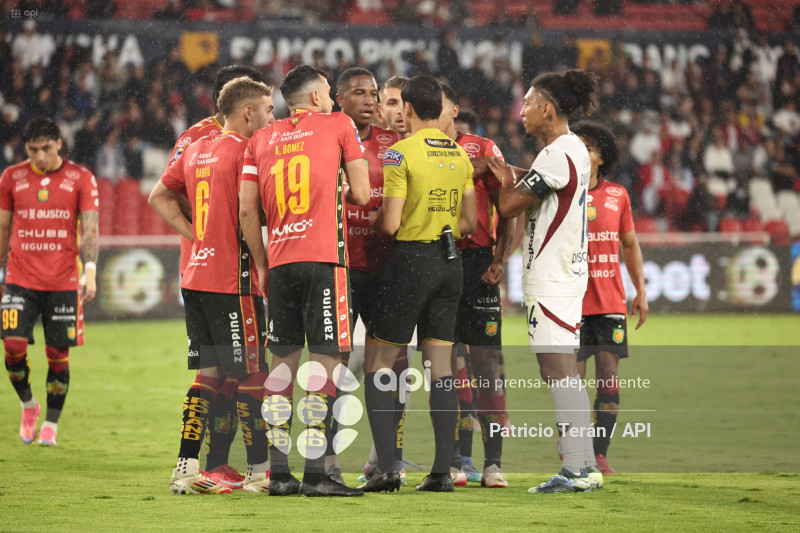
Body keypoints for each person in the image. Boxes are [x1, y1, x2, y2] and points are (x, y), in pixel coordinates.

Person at [239, 65, 370, 497]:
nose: (332, 98)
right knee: (327, 366)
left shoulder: (261, 138)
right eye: (329, 91)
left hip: (279, 264)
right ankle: (316, 474)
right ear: (315, 97)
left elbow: (246, 213)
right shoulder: (339, 124)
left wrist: (261, 265)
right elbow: (364, 193)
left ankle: (278, 474)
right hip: (324, 262)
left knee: (281, 371)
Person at [149, 76, 276, 495]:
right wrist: (262, 265)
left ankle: (186, 466)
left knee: (208, 374)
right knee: (252, 374)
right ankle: (260, 472)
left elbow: (159, 197)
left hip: (196, 278)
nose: (271, 116)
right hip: (231, 280)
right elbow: (246, 213)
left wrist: (196, 235)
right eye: (268, 109)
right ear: (247, 112)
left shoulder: (195, 148)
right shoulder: (245, 149)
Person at [360, 75, 477, 493]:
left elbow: (390, 224)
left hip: (412, 260)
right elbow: (469, 223)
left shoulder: (399, 153)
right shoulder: (460, 155)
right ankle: (443, 472)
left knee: (377, 364)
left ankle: (387, 469)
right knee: (440, 370)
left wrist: (372, 218)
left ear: (407, 108)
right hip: (451, 264)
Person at [488, 69, 601, 493]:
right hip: (565, 275)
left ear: (548, 109)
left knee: (557, 371)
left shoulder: (555, 154)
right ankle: (585, 465)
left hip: (553, 278)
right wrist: (511, 170)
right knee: (565, 370)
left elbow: (510, 206)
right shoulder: (570, 150)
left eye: (529, 103)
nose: (522, 111)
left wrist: (500, 180)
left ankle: (573, 469)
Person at [329, 67, 415, 484]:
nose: (369, 100)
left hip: (385, 269)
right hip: (340, 267)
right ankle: (324, 463)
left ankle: (386, 463)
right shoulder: (324, 137)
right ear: (337, 98)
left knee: (389, 367)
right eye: (359, 93)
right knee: (334, 365)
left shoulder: (393, 144)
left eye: (374, 93)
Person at [0, 117, 99, 447]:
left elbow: (90, 230)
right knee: (13, 346)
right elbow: (2, 229)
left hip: (62, 280)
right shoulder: (11, 177)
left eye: (45, 148)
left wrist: (90, 271)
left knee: (58, 355)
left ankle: (51, 426)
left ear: (59, 143)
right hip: (19, 277)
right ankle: (29, 405)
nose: (39, 156)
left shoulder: (81, 178)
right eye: (32, 150)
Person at [439, 83, 514, 488]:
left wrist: (501, 256)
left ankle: (493, 463)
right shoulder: (416, 146)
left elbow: (511, 204)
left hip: (479, 262)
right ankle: (454, 461)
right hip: (439, 259)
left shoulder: (484, 147)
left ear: (451, 107)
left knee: (487, 365)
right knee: (447, 366)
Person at [571, 120, 648, 476]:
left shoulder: (618, 195)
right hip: (569, 303)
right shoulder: (561, 192)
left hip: (609, 303)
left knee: (608, 380)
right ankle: (572, 447)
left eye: (589, 147)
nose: (583, 152)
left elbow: (630, 245)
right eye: (578, 146)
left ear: (602, 157)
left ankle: (599, 454)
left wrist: (641, 292)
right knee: (569, 382)